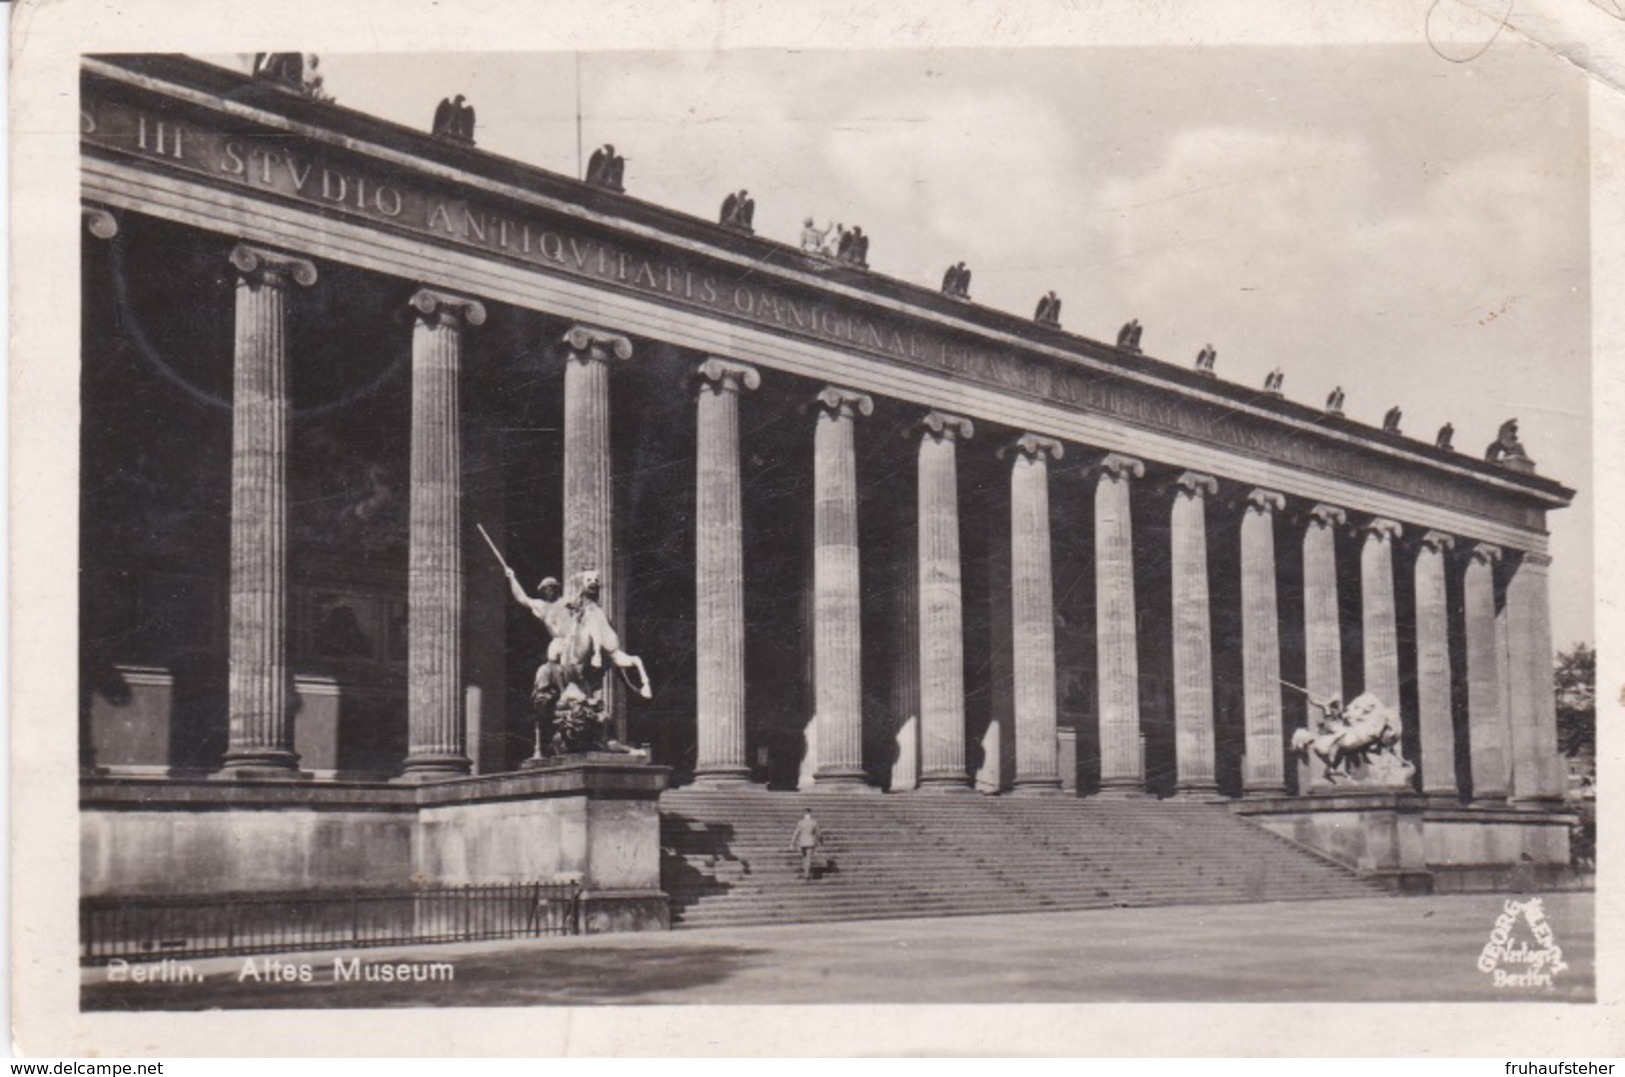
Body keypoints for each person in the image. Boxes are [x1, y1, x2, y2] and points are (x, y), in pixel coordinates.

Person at [790, 808, 822, 881]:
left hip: (802, 842)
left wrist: (792, 843)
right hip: (810, 842)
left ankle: (805, 871)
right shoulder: (814, 822)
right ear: (810, 814)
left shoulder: (800, 823)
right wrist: (820, 841)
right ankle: (806, 874)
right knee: (808, 858)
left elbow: (796, 833)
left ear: (804, 814)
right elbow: (818, 833)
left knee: (804, 857)